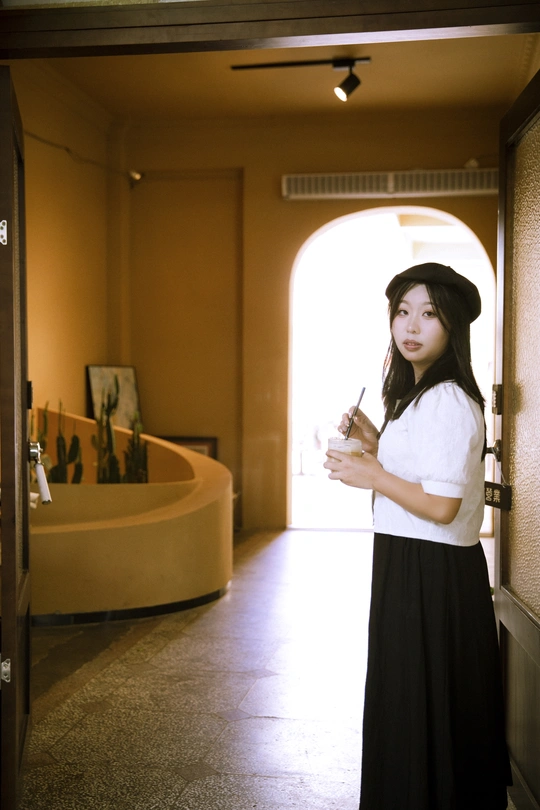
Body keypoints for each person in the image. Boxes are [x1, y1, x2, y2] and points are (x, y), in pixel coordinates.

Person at [324, 262, 511, 810]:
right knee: (415, 706)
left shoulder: (448, 398)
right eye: (403, 312)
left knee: (422, 707)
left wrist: (373, 475)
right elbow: (426, 475)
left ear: (453, 325)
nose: (411, 326)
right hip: (414, 564)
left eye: (429, 314)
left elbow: (443, 505)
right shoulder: (420, 395)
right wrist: (376, 443)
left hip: (432, 574)